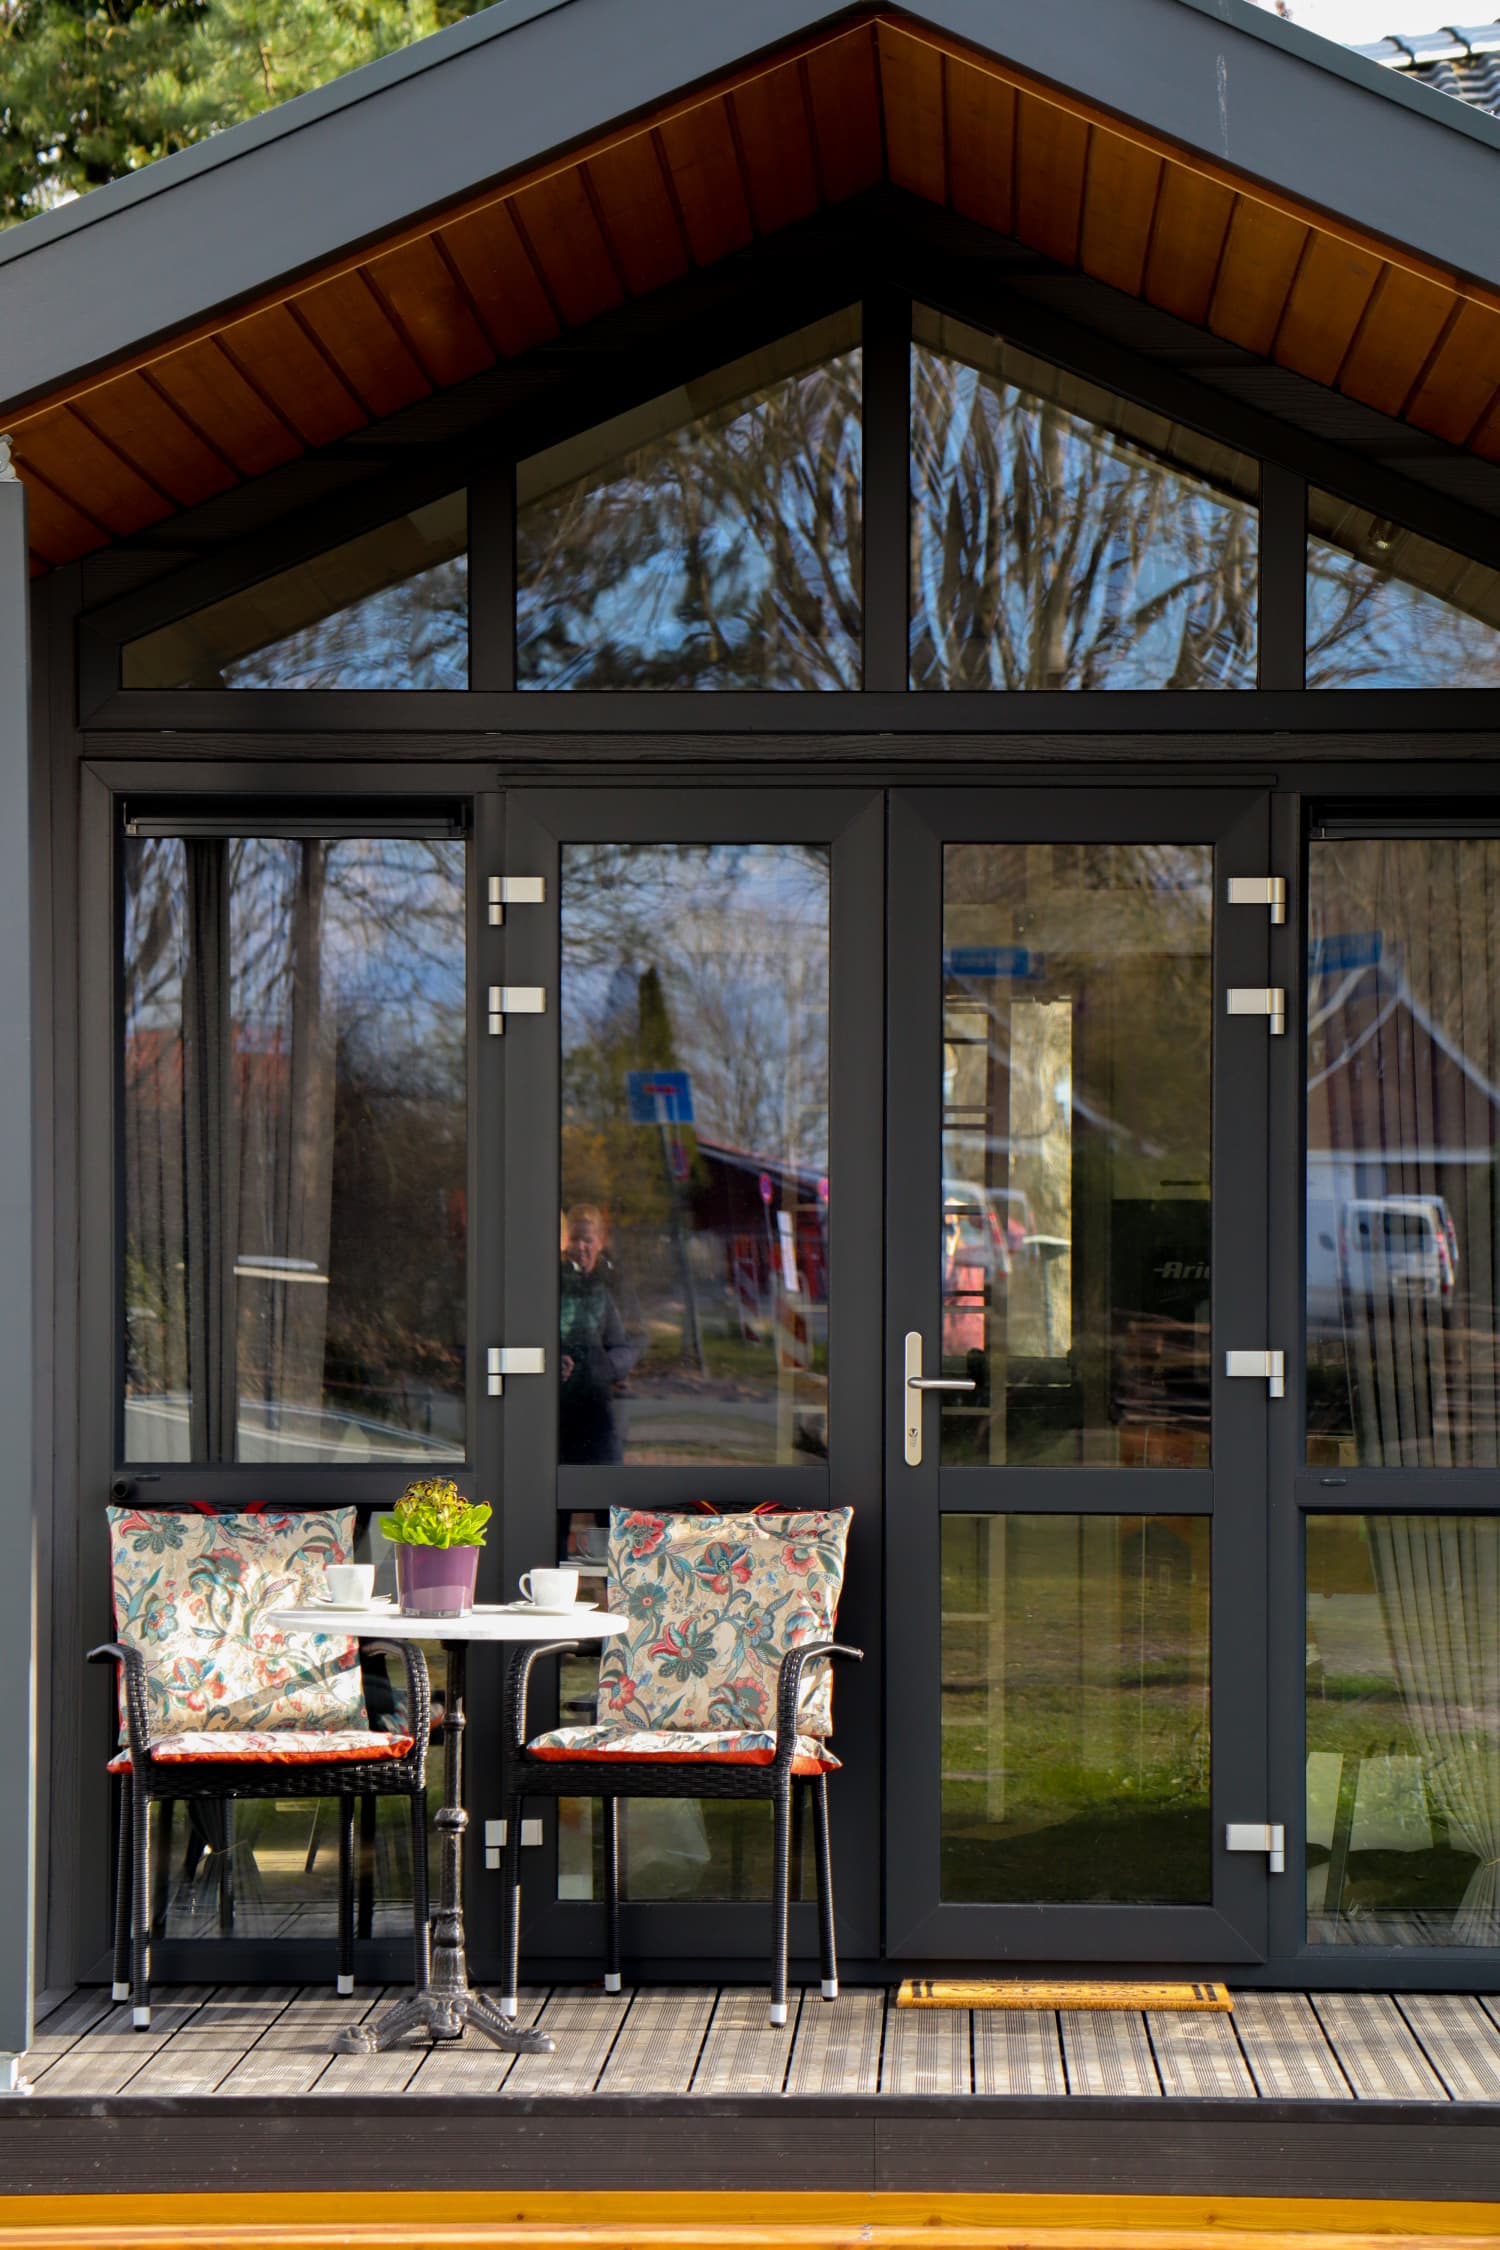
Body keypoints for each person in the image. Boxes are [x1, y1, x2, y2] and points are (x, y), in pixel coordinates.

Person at [559, 1204, 642, 1465]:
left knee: (603, 1487)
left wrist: (606, 1367)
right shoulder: (552, 1280)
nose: (580, 1246)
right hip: (557, 1407)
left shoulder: (612, 1284)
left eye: (587, 1239)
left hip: (602, 1407)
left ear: (600, 1242)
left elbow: (631, 1340)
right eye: (574, 1239)